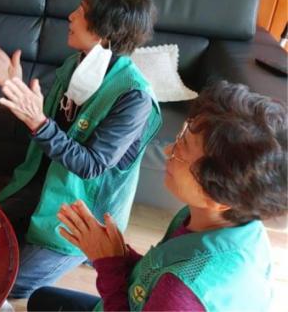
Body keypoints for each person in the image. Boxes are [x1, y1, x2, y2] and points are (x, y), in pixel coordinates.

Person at [0, 0, 162, 298]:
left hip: (78, 215)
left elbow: (90, 165)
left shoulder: (134, 98)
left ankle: (85, 253)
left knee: (5, 284)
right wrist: (16, 88)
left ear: (105, 33)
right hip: (38, 187)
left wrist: (38, 122)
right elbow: (47, 120)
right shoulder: (77, 64)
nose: (71, 16)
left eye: (82, 11)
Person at [29, 81, 287, 311]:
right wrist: (117, 255)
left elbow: (165, 291)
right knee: (41, 299)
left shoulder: (183, 291)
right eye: (181, 136)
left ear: (218, 197)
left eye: (181, 150)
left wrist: (107, 263)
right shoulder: (230, 221)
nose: (167, 151)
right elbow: (154, 275)